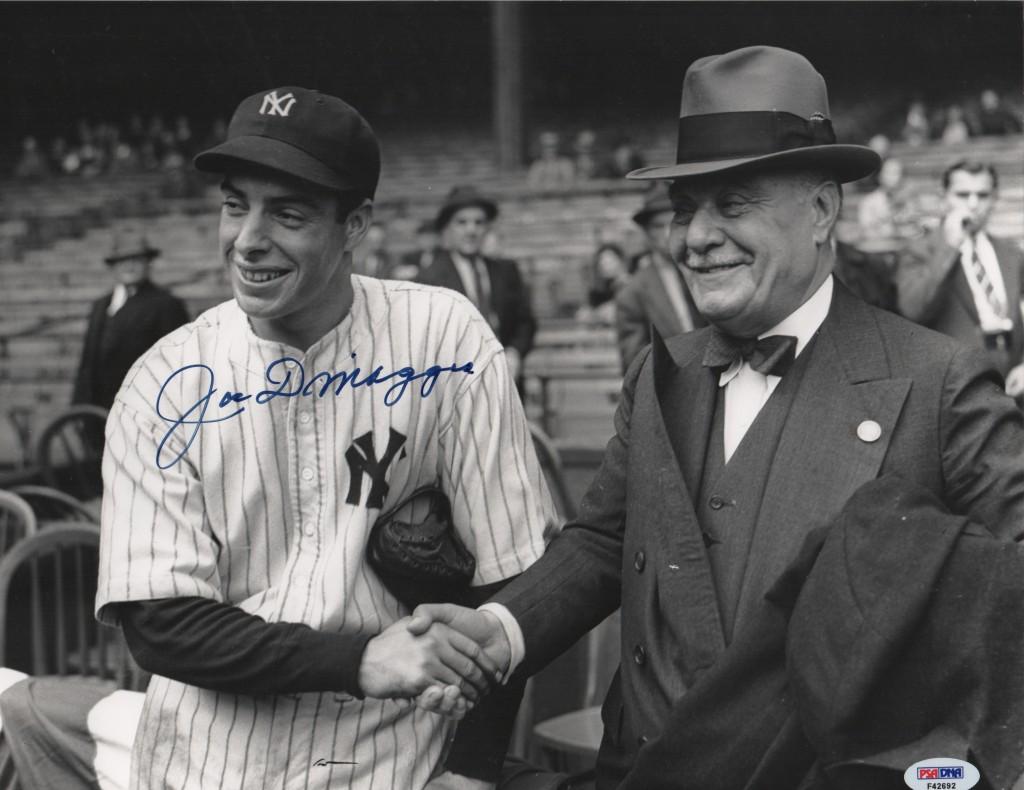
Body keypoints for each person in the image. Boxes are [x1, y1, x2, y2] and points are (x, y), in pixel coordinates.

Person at [407, 46, 1024, 787]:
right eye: (684, 208)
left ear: (824, 209)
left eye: (732, 203)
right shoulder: (659, 375)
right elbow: (603, 543)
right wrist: (500, 632)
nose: (694, 238)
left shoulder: (940, 380)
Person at [3, 87, 558, 790]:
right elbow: (160, 622)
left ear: (355, 224)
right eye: (236, 204)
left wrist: (472, 769)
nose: (248, 239)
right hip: (208, 759)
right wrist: (358, 661)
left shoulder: (444, 336)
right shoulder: (166, 377)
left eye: (288, 213)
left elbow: (514, 580)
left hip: (394, 760)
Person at [897, 159, 1024, 398]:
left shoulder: (1011, 253)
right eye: (963, 195)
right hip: (956, 386)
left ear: (995, 198)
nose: (973, 204)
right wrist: (950, 245)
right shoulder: (920, 250)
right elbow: (913, 309)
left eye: (983, 195)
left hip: (1013, 381)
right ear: (943, 197)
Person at [417, 185, 537, 387]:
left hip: (506, 382)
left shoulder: (506, 271)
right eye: (462, 222)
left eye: (479, 223)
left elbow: (525, 323)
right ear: (447, 229)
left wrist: (514, 352)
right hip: (455, 387)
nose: (471, 230)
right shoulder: (429, 278)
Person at [72, 228, 189, 410]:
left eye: (136, 260)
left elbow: (177, 364)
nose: (129, 266)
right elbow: (87, 362)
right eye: (122, 261)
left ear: (148, 264)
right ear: (114, 267)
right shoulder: (101, 305)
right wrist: (79, 405)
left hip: (143, 407)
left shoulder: (166, 304)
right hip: (98, 410)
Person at [615, 183, 705, 371]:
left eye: (674, 222)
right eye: (658, 226)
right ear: (647, 233)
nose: (667, 234)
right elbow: (635, 366)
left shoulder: (713, 269)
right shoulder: (633, 294)